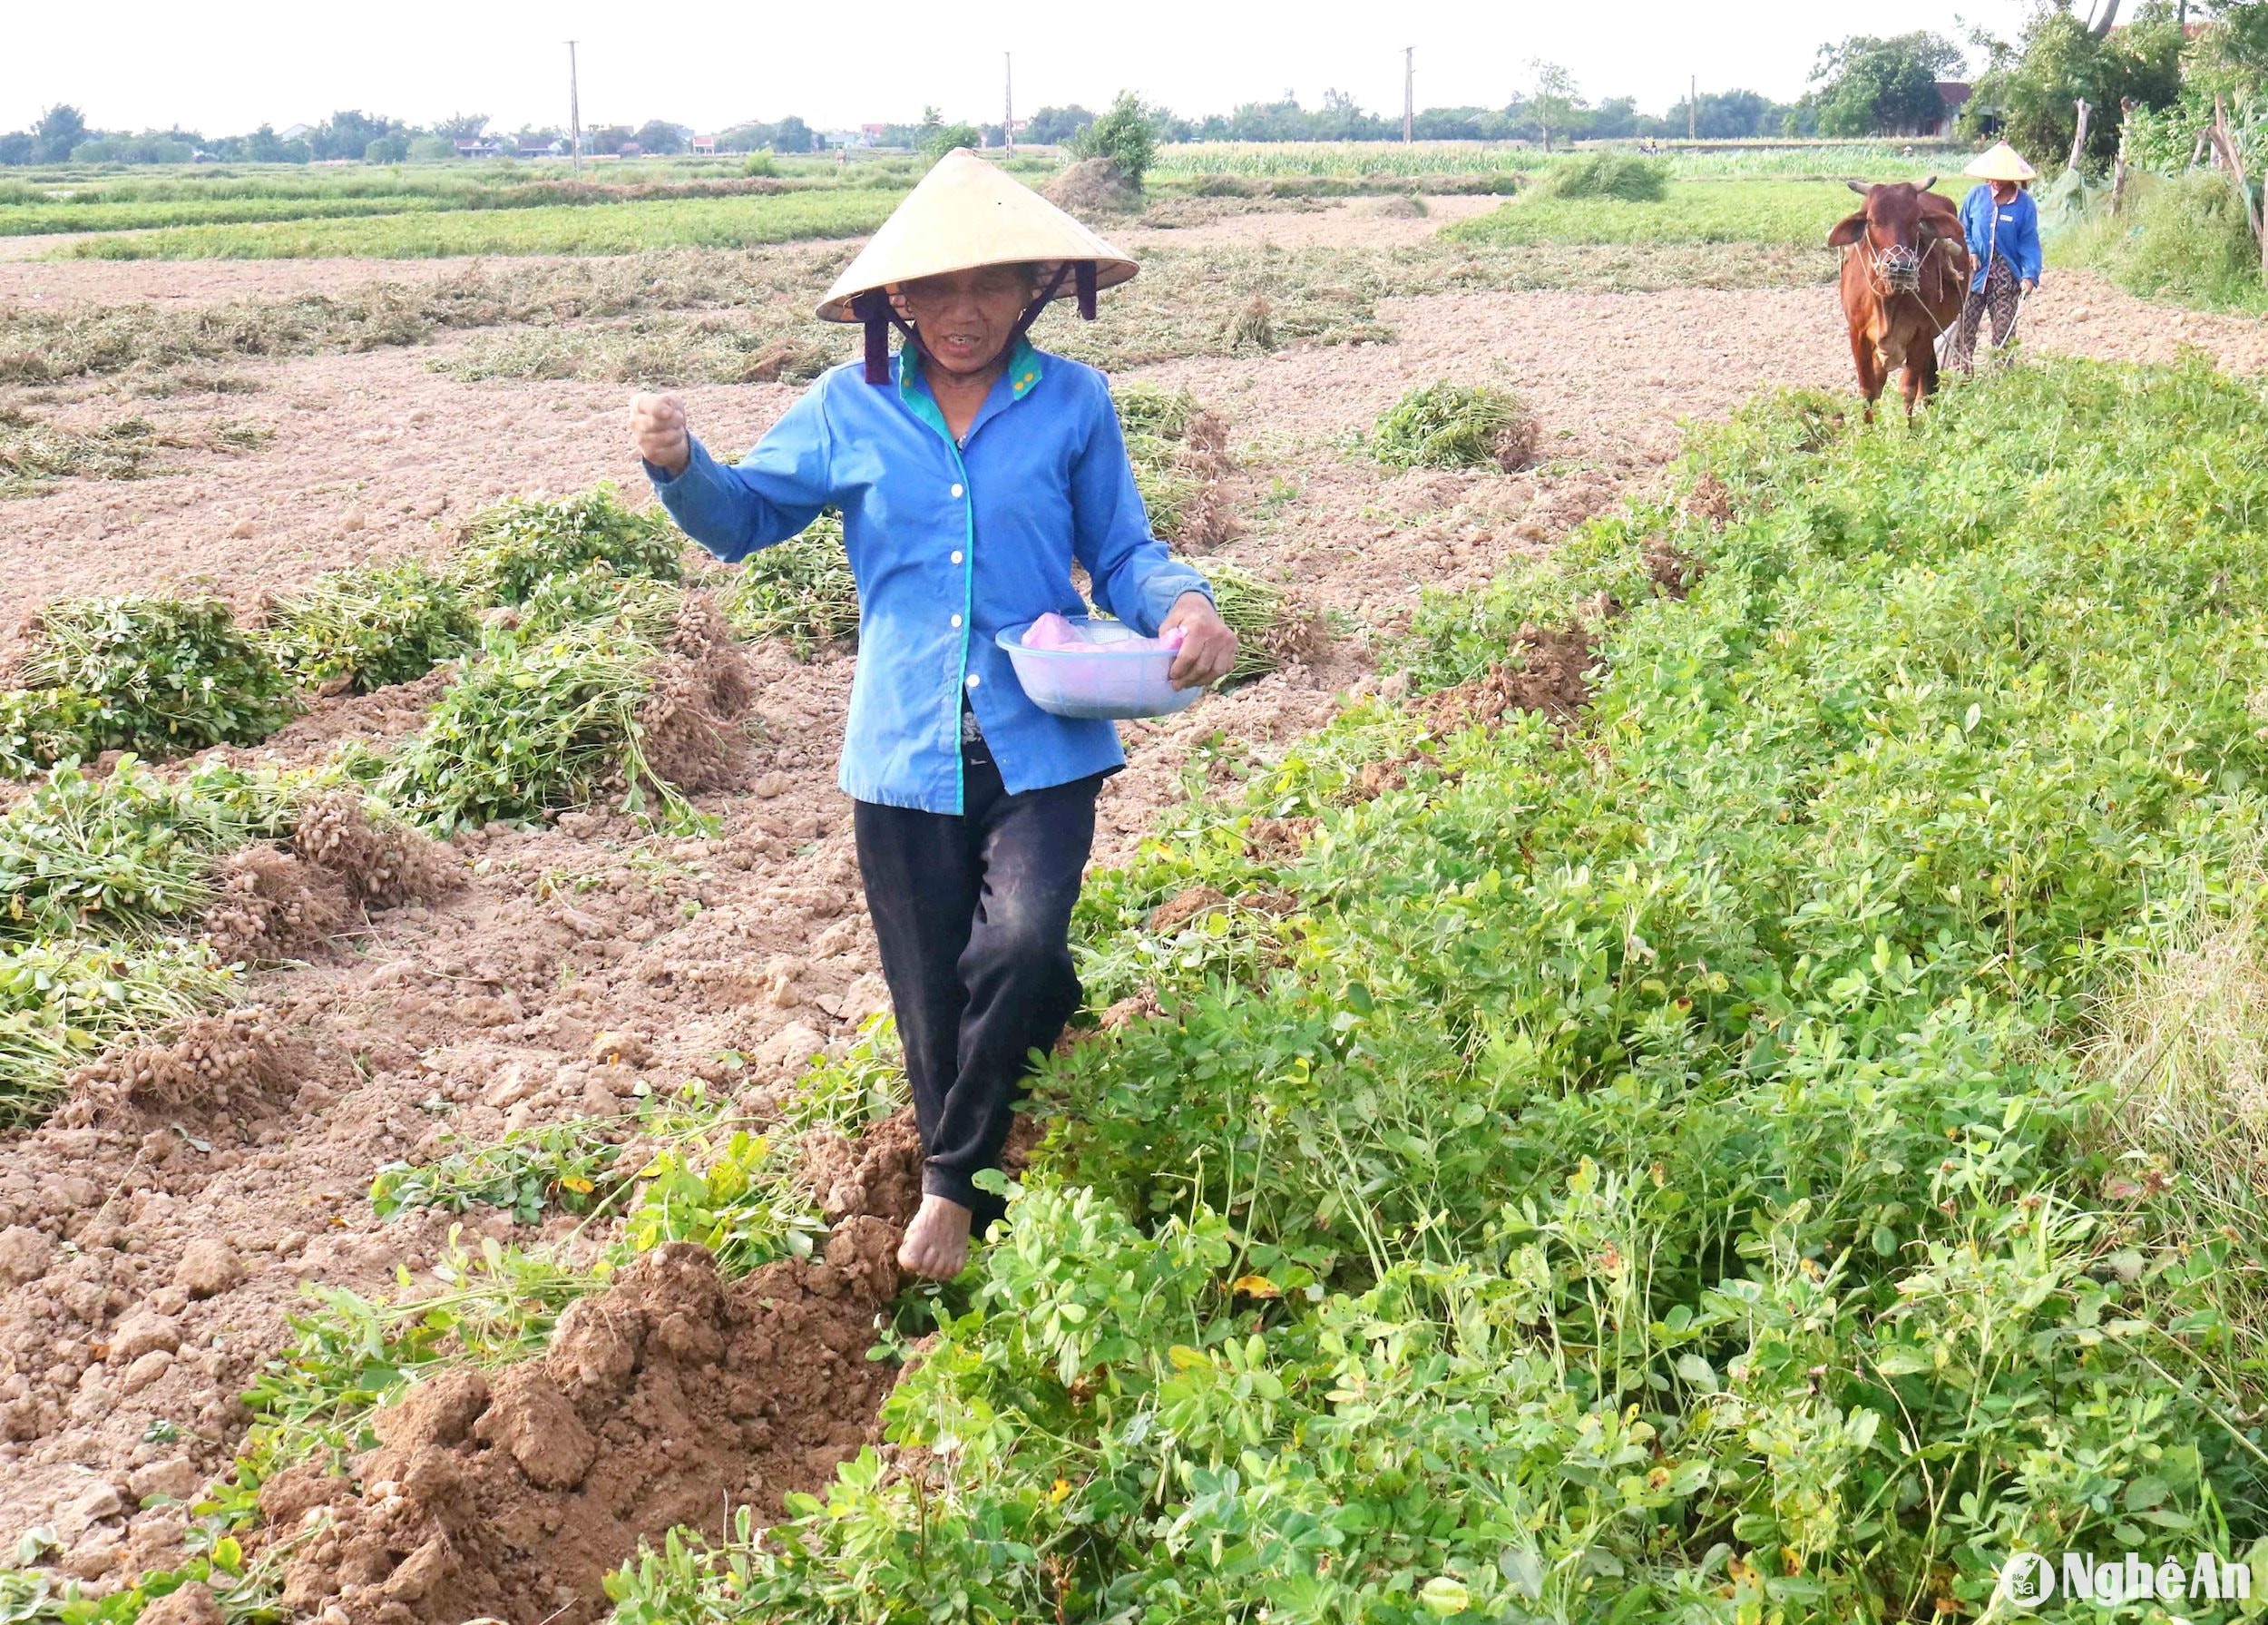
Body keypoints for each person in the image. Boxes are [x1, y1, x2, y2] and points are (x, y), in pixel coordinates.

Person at [628, 152, 1238, 1280]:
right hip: (903, 747)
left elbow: (1120, 551)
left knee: (1017, 943)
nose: (966, 314)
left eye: (992, 287)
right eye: (939, 291)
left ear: (1035, 290)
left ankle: (952, 1191)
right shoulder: (844, 405)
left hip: (1042, 733)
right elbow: (745, 518)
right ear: (895, 300)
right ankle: (1027, 1142)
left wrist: (1189, 603)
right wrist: (679, 464)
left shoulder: (1072, 402)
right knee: (932, 996)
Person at [1950, 141, 2042, 371]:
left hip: (2005, 277)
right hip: (1975, 273)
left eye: (2000, 177)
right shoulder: (1976, 196)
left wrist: (2030, 275)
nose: (1994, 181)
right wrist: (1970, 249)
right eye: (1991, 176)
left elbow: (2029, 242)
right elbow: (1964, 228)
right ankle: (1962, 375)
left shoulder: (2024, 205)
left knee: (2004, 332)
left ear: (2011, 178)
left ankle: (2001, 380)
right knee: (1964, 327)